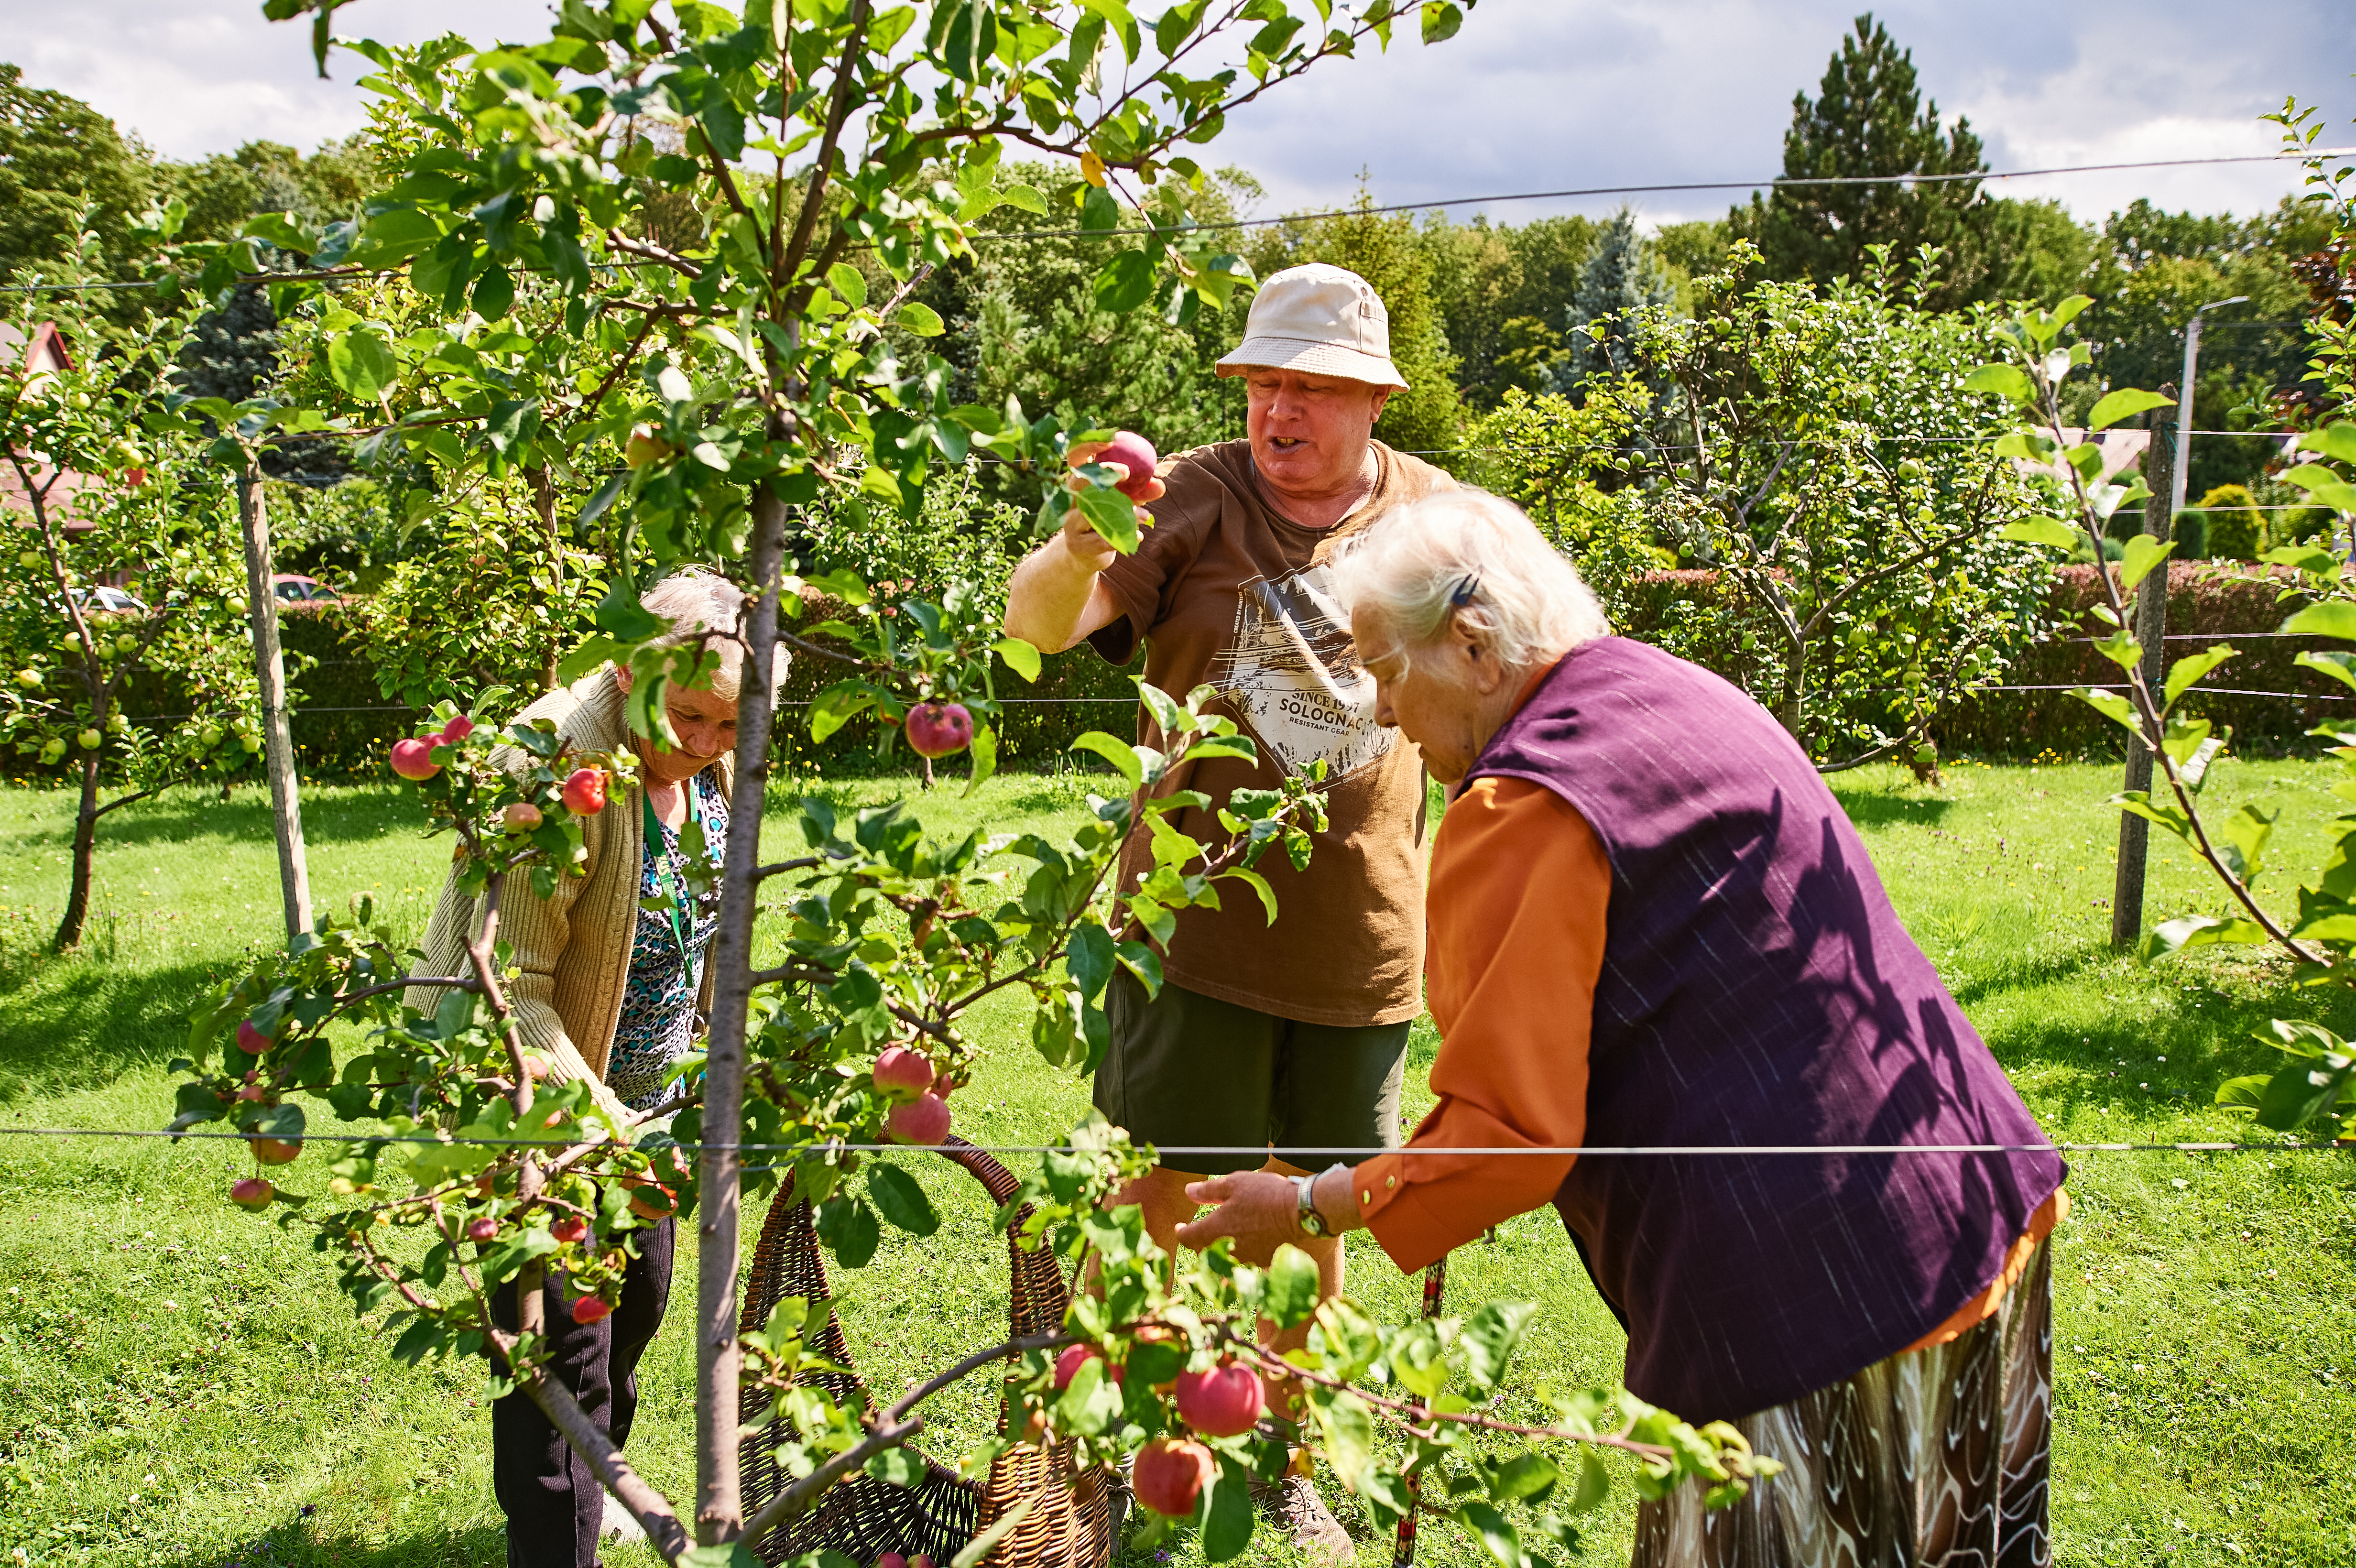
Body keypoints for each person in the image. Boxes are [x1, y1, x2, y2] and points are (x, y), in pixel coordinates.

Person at [1177, 490, 2069, 1566]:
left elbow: (1510, 1139)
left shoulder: (1523, 804)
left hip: (1801, 1298)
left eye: (1386, 670)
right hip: (1971, 1196)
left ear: (1474, 647)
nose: (1382, 712)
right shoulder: (1670, 685)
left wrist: (1307, 1200)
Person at [1003, 261, 1454, 1554]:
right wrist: (1080, 544)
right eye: (1263, 382)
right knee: (1158, 1201)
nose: (1279, 410)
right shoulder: (1188, 495)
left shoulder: (1440, 518)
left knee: (1312, 1216)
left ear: (1373, 400)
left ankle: (1283, 1450)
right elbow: (1041, 627)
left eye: (1312, 387)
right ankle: (1090, 1459)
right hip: (1191, 932)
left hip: (1362, 940)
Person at [409, 567, 781, 1568]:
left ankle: (593, 1482)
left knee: (640, 1302)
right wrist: (601, 1127)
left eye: (730, 724)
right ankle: (556, 1533)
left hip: (647, 1108)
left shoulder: (709, 763)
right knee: (562, 1359)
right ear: (627, 674)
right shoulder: (550, 771)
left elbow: (700, 928)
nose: (707, 742)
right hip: (540, 1097)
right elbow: (512, 989)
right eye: (688, 715)